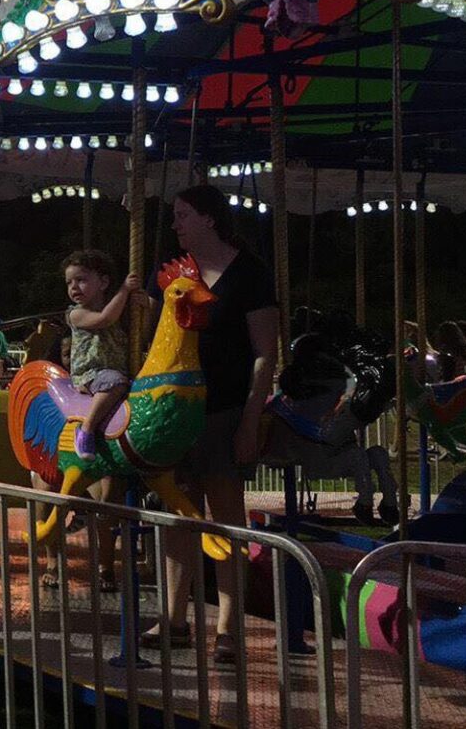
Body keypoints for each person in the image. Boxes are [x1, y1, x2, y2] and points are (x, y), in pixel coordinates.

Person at [158, 185, 279, 665]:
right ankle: (174, 614)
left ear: (209, 219)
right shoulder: (176, 272)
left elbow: (264, 352)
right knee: (174, 511)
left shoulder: (248, 275)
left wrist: (251, 417)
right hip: (174, 408)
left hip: (223, 407)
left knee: (224, 512)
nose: (175, 225)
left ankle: (229, 622)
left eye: (183, 215)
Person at [63, 250, 139, 458]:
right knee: (114, 381)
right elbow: (105, 319)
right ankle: (86, 430)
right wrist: (124, 289)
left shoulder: (117, 308)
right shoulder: (76, 314)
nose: (74, 287)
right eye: (69, 282)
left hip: (117, 370)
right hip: (91, 373)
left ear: (103, 283)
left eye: (81, 280)